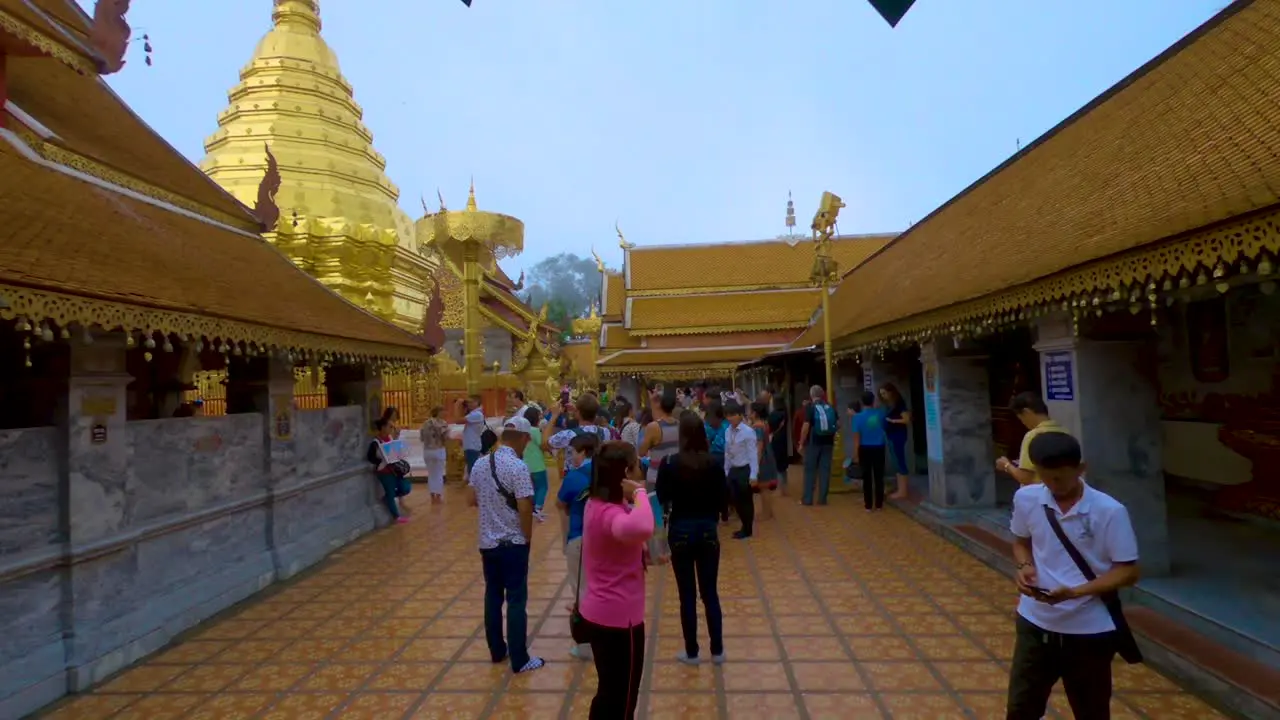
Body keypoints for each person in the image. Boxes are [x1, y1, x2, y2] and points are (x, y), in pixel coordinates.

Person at [1007, 432, 1140, 719]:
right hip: (1035, 623)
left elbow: (1128, 571)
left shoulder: (1109, 511)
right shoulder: (1027, 498)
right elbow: (1020, 542)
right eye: (1046, 478)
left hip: (1089, 632)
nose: (1054, 486)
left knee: (1091, 710)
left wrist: (1076, 592)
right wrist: (1024, 566)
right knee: (1021, 709)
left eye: (1061, 478)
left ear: (1081, 469)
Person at [466, 416, 545, 675]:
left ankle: (497, 651)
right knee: (516, 600)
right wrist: (527, 536)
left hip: (487, 542)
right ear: (522, 438)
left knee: (492, 596)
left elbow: (470, 499)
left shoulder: (479, 464)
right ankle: (520, 659)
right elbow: (525, 506)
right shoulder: (517, 466)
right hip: (513, 543)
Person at [581, 442, 654, 719]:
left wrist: (640, 551)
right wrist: (639, 493)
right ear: (625, 473)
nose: (641, 469)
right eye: (637, 465)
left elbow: (621, 538)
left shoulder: (596, 503)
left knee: (608, 691)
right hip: (620, 619)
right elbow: (643, 526)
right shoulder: (612, 511)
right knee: (623, 698)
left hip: (598, 611)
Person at [656, 411, 728, 666]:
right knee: (710, 593)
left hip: (681, 530)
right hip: (708, 528)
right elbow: (723, 498)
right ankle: (717, 650)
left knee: (686, 594)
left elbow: (662, 495)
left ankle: (692, 651)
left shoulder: (670, 463)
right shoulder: (714, 463)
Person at [557, 432, 600, 661]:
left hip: (580, 538)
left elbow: (560, 503)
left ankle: (585, 645)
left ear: (583, 452)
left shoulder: (574, 477)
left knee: (582, 590)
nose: (571, 457)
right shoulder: (607, 472)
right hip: (607, 539)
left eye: (573, 452)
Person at [639, 387, 680, 563]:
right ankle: (672, 549)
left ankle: (659, 552)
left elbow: (642, 450)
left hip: (655, 476)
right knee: (671, 513)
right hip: (675, 475)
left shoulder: (653, 427)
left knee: (655, 514)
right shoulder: (679, 424)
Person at [998, 392, 1068, 486]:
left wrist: (1006, 465)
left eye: (1021, 418)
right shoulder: (1065, 432)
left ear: (1027, 412)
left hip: (1037, 496)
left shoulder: (1032, 436)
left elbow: (1026, 478)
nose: (1023, 423)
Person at [722, 401, 758, 539]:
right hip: (733, 469)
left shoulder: (748, 432)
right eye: (728, 415)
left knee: (746, 500)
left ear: (740, 415)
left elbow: (752, 454)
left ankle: (747, 528)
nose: (730, 418)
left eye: (733, 415)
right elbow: (727, 452)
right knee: (735, 500)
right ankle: (744, 525)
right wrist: (726, 470)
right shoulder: (727, 431)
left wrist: (754, 475)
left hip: (745, 469)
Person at [798, 386, 838, 506]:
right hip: (828, 443)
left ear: (812, 395)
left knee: (810, 470)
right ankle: (822, 499)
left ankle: (807, 499)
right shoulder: (830, 407)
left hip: (813, 442)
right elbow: (838, 424)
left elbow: (806, 427)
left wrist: (801, 442)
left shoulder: (810, 408)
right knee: (825, 470)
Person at [367, 417, 412, 523]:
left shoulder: (390, 439)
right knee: (390, 492)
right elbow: (370, 457)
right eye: (390, 426)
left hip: (395, 470)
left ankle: (387, 498)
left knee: (405, 488)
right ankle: (396, 516)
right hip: (385, 472)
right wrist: (380, 461)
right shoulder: (376, 442)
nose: (391, 429)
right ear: (382, 427)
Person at [852, 391, 888, 511]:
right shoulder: (881, 414)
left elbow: (856, 438)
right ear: (873, 401)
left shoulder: (857, 418)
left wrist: (856, 454)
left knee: (866, 477)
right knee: (879, 476)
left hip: (864, 448)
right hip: (879, 447)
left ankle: (868, 505)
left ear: (862, 402)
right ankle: (879, 504)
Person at [880, 383, 913, 499]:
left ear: (890, 392)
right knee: (896, 461)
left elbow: (906, 420)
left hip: (897, 435)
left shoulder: (899, 404)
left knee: (900, 461)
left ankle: (903, 490)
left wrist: (893, 421)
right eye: (881, 394)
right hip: (890, 434)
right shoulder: (889, 405)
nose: (883, 396)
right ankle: (900, 488)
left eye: (884, 393)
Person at [750, 401, 778, 521]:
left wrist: (755, 464)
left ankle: (766, 513)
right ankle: (768, 512)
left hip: (763, 459)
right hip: (768, 455)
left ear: (755, 413)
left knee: (763, 487)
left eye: (750, 412)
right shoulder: (764, 424)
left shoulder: (757, 427)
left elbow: (759, 446)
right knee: (765, 488)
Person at [522, 407, 550, 521]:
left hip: (525, 464)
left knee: (531, 489)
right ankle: (537, 508)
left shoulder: (523, 431)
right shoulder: (535, 431)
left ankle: (531, 509)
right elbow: (542, 444)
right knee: (542, 487)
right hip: (537, 464)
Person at [420, 406, 449, 504]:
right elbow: (446, 437)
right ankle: (438, 494)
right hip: (439, 449)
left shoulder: (425, 423)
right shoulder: (443, 423)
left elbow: (422, 438)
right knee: (439, 473)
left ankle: (432, 493)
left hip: (428, 450)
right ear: (439, 412)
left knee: (431, 473)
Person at [459, 395, 486, 479]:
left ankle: (475, 490)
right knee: (471, 470)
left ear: (477, 403)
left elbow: (457, 420)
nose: (469, 404)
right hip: (471, 445)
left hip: (472, 446)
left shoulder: (477, 414)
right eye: (468, 402)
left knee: (473, 472)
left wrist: (456, 406)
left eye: (471, 402)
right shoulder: (474, 414)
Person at [767, 397, 790, 495]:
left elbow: (769, 427)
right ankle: (785, 486)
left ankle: (780, 488)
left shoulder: (772, 415)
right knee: (783, 465)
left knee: (776, 464)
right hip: (784, 440)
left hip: (775, 439)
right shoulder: (785, 414)